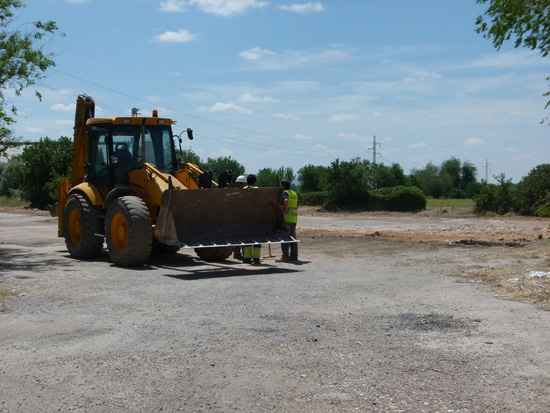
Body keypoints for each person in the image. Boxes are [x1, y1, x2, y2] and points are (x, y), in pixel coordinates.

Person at [277, 179, 298, 262]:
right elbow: (297, 205)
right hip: (293, 219)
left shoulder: (285, 193)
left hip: (286, 219)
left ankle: (285, 256)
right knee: (293, 237)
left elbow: (285, 201)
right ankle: (294, 256)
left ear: (283, 186)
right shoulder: (294, 193)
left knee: (285, 237)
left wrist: (285, 210)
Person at [243, 174, 261, 265]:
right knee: (257, 238)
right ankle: (256, 259)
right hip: (256, 217)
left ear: (247, 181)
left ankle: (247, 258)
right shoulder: (258, 190)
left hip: (245, 217)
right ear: (255, 181)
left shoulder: (243, 190)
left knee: (247, 238)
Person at [232, 175, 248, 260]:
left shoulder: (238, 192)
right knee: (240, 236)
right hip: (239, 217)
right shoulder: (239, 192)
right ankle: (238, 253)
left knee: (239, 236)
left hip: (238, 216)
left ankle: (238, 253)